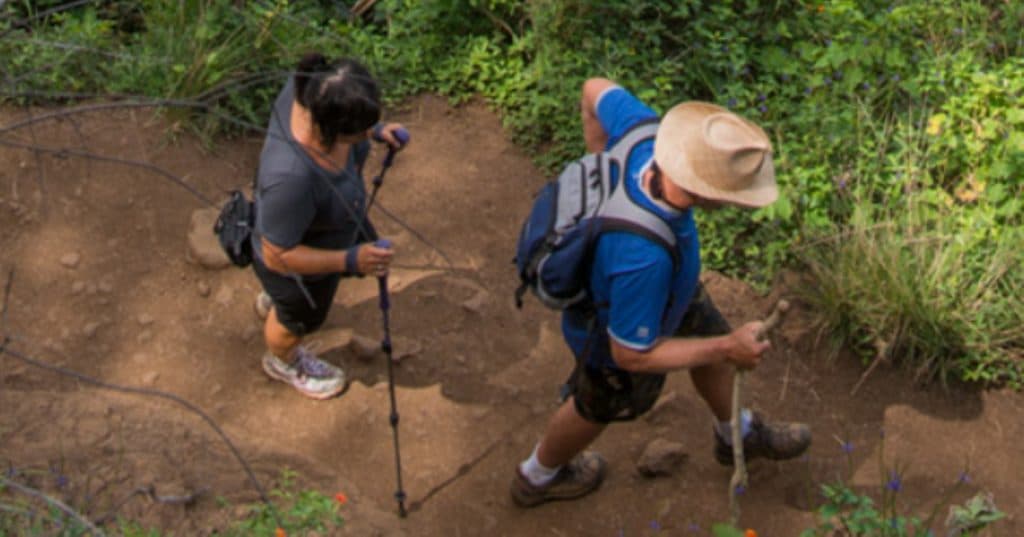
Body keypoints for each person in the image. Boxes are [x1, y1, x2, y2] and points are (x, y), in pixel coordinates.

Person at [510, 78, 812, 507]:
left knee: (707, 328)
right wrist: (726, 348)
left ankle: (735, 433)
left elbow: (593, 89)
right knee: (599, 403)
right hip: (618, 324)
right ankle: (537, 477)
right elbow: (630, 355)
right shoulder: (643, 256)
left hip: (667, 293)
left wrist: (598, 160)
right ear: (705, 191)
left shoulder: (645, 133)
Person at [250, 52, 408, 399]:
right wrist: (350, 260)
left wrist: (375, 130)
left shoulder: (312, 89)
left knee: (285, 299)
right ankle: (284, 358)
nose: (363, 138)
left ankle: (274, 301)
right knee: (298, 319)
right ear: (330, 128)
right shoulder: (291, 178)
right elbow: (276, 254)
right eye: (357, 134)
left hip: (317, 225)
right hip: (295, 260)